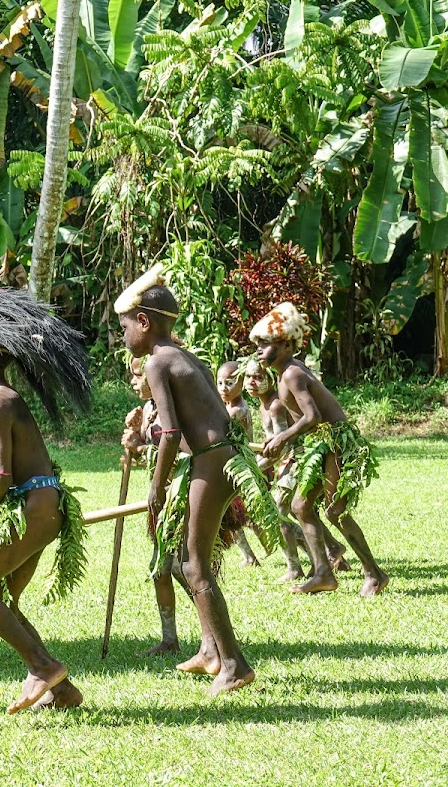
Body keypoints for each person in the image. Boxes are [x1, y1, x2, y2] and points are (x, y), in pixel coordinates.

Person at [117, 265, 280, 695]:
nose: (123, 335)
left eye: (125, 326)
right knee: (190, 558)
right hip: (221, 459)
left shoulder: (156, 362)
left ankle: (234, 665)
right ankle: (211, 651)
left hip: (210, 462)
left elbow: (170, 432)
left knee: (193, 565)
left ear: (145, 322)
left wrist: (156, 485)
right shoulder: (187, 357)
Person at [0, 286, 92, 713]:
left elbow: (1, 477)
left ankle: (42, 668)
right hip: (37, 507)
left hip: (36, 506)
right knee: (0, 597)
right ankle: (62, 690)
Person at [254, 302, 389, 596]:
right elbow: (302, 423)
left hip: (336, 440)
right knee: (301, 506)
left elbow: (312, 416)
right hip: (320, 443)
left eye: (265, 343)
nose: (258, 350)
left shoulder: (292, 373)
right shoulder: (282, 375)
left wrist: (282, 437)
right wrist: (284, 443)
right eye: (257, 345)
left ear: (287, 343)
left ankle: (375, 574)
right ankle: (323, 573)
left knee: (335, 510)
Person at [242, 357, 350, 582]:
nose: (252, 382)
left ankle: (295, 567)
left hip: (297, 460)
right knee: (297, 511)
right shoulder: (262, 406)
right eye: (248, 377)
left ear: (271, 379)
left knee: (280, 512)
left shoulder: (275, 406)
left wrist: (255, 467)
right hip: (288, 461)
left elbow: (285, 446)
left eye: (258, 377)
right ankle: (331, 548)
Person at [122, 357, 183, 656]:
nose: (133, 382)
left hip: (184, 495)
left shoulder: (176, 405)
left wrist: (141, 448)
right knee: (160, 568)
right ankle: (169, 639)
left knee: (185, 569)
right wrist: (134, 438)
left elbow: (180, 450)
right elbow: (142, 452)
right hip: (161, 501)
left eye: (137, 376)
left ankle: (215, 638)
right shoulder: (148, 409)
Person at [217, 361, 261, 567]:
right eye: (219, 383)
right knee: (233, 514)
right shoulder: (228, 407)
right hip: (233, 468)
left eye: (229, 383)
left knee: (254, 518)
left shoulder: (237, 411)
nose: (223, 388)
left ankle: (303, 554)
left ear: (241, 383)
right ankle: (249, 556)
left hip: (242, 468)